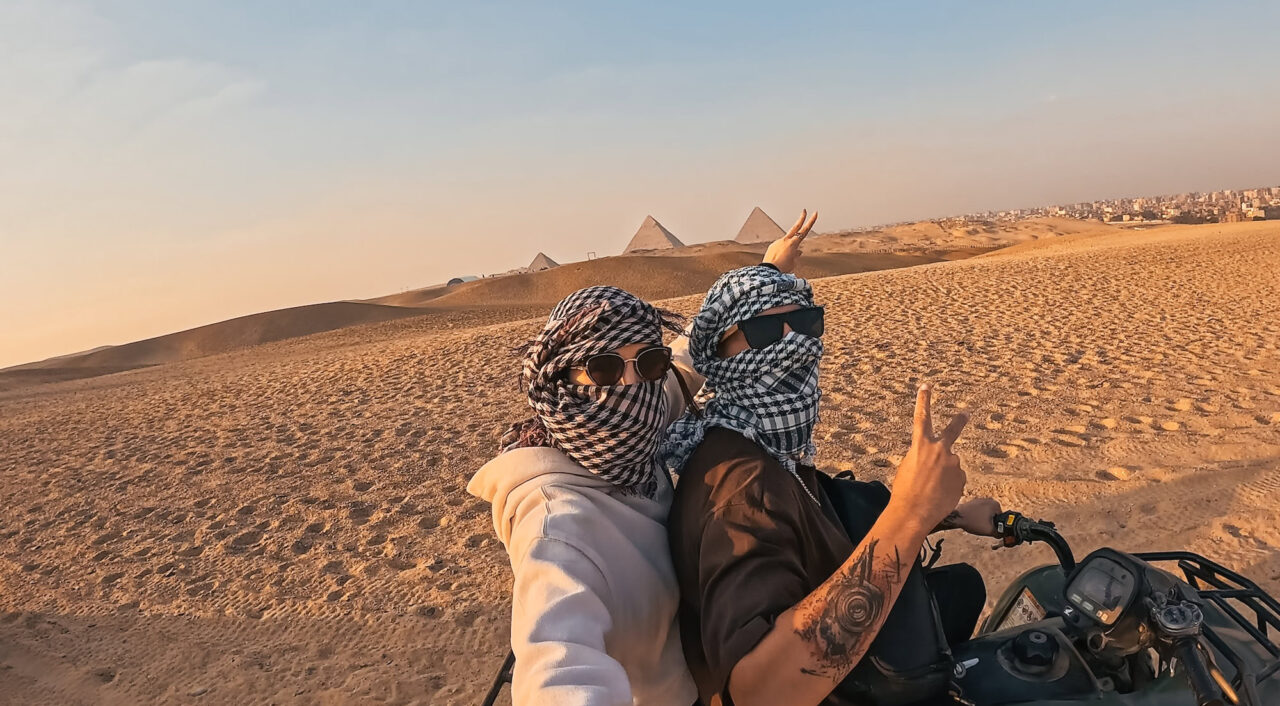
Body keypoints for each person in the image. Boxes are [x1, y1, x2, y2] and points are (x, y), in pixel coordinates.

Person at [662, 210, 1003, 706]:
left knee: (963, 589)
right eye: (762, 334)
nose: (794, 343)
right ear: (716, 353)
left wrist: (941, 515)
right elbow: (759, 693)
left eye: (805, 323)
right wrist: (908, 517)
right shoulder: (742, 485)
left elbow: (822, 521)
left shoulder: (763, 442)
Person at [467, 226, 811, 705]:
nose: (627, 386)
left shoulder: (641, 418)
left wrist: (768, 269)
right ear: (561, 376)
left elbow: (686, 355)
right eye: (604, 369)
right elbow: (557, 664)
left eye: (645, 363)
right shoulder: (556, 523)